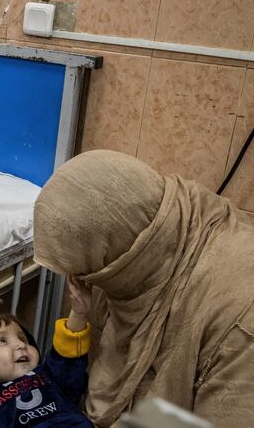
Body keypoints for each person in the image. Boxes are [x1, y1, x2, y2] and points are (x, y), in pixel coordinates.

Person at [33, 150, 254, 427]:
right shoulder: (146, 244)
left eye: (87, 273)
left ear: (123, 262)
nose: (85, 283)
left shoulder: (238, 316)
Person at [0, 276, 94, 427]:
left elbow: (67, 358)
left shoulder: (49, 373)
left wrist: (78, 314)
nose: (21, 345)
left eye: (23, 339)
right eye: (2, 341)